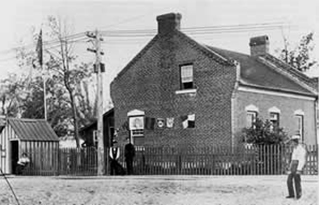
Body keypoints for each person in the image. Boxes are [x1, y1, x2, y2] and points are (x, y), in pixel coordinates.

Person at [286, 134, 307, 200]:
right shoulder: (294, 149)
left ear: (295, 142)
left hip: (298, 165)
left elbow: (302, 160)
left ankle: (298, 194)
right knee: (289, 180)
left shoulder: (301, 149)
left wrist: (299, 169)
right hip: (293, 165)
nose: (291, 143)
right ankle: (291, 194)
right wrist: (290, 167)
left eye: (292, 142)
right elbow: (292, 159)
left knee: (297, 180)